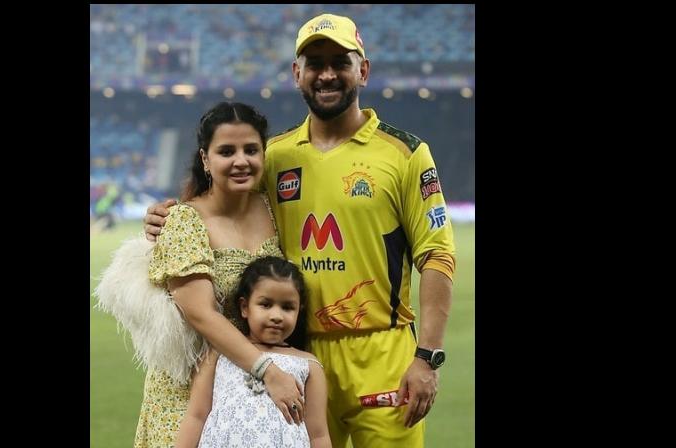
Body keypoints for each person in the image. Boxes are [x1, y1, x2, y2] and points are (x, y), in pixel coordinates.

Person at [145, 13, 456, 448]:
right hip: (295, 355)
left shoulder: (405, 153)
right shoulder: (275, 155)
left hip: (381, 354)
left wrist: (427, 357)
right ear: (298, 74)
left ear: (362, 70)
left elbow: (437, 255)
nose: (326, 74)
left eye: (339, 61)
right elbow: (224, 198)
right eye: (314, 63)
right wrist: (172, 213)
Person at [97, 102, 307, 448]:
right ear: (206, 159)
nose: (241, 160)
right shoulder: (184, 221)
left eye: (251, 150)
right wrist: (268, 371)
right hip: (192, 393)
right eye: (227, 151)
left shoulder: (272, 206)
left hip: (250, 394)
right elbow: (201, 314)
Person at [176, 256, 332, 448]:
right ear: (244, 307)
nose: (276, 316)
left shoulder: (309, 365)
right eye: (265, 304)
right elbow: (196, 416)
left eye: (287, 307)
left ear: (299, 311)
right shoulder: (218, 354)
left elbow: (318, 435)